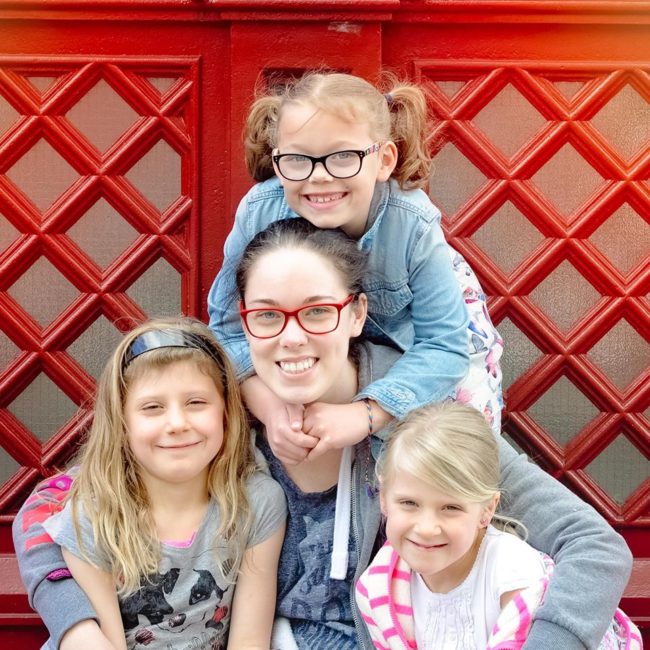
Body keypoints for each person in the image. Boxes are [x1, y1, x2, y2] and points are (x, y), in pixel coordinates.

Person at [13, 220, 633, 650]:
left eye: (317, 311)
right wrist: (77, 627)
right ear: (243, 323)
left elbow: (594, 547)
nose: (292, 338)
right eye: (267, 316)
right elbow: (52, 509)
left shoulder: (422, 421)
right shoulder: (215, 418)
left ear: (356, 313)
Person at [208, 71, 504, 471]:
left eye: (343, 156)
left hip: (424, 334)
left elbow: (444, 345)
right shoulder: (259, 211)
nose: (319, 176)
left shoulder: (414, 225)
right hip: (323, 332)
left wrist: (367, 413)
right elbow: (225, 328)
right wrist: (271, 407)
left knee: (456, 445)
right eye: (297, 159)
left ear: (383, 160)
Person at [13, 318, 286, 650]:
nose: (177, 423)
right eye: (152, 407)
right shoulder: (93, 516)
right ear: (122, 424)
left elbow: (249, 641)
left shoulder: (257, 503)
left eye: (196, 403)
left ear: (226, 414)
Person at [355, 402, 642, 649]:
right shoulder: (379, 587)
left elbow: (598, 546)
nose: (427, 527)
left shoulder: (513, 575)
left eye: (451, 508)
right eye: (408, 503)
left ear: (487, 510)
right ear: (384, 498)